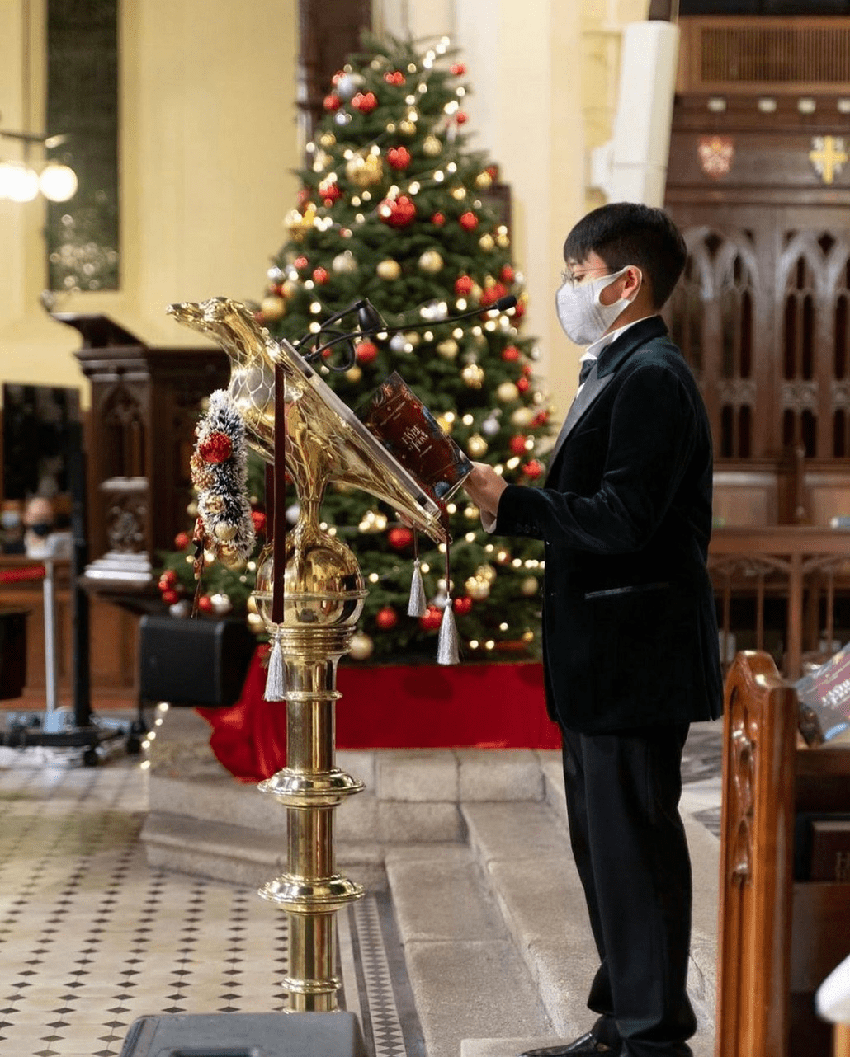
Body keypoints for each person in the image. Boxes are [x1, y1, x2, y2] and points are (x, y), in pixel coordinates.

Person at [462, 202, 723, 1057]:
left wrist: (511, 503)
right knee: (605, 848)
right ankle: (624, 1017)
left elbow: (624, 519)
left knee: (636, 847)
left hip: (633, 657)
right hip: (605, 658)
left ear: (625, 280)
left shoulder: (653, 376)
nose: (570, 290)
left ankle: (653, 1036)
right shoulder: (618, 366)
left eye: (578, 275)